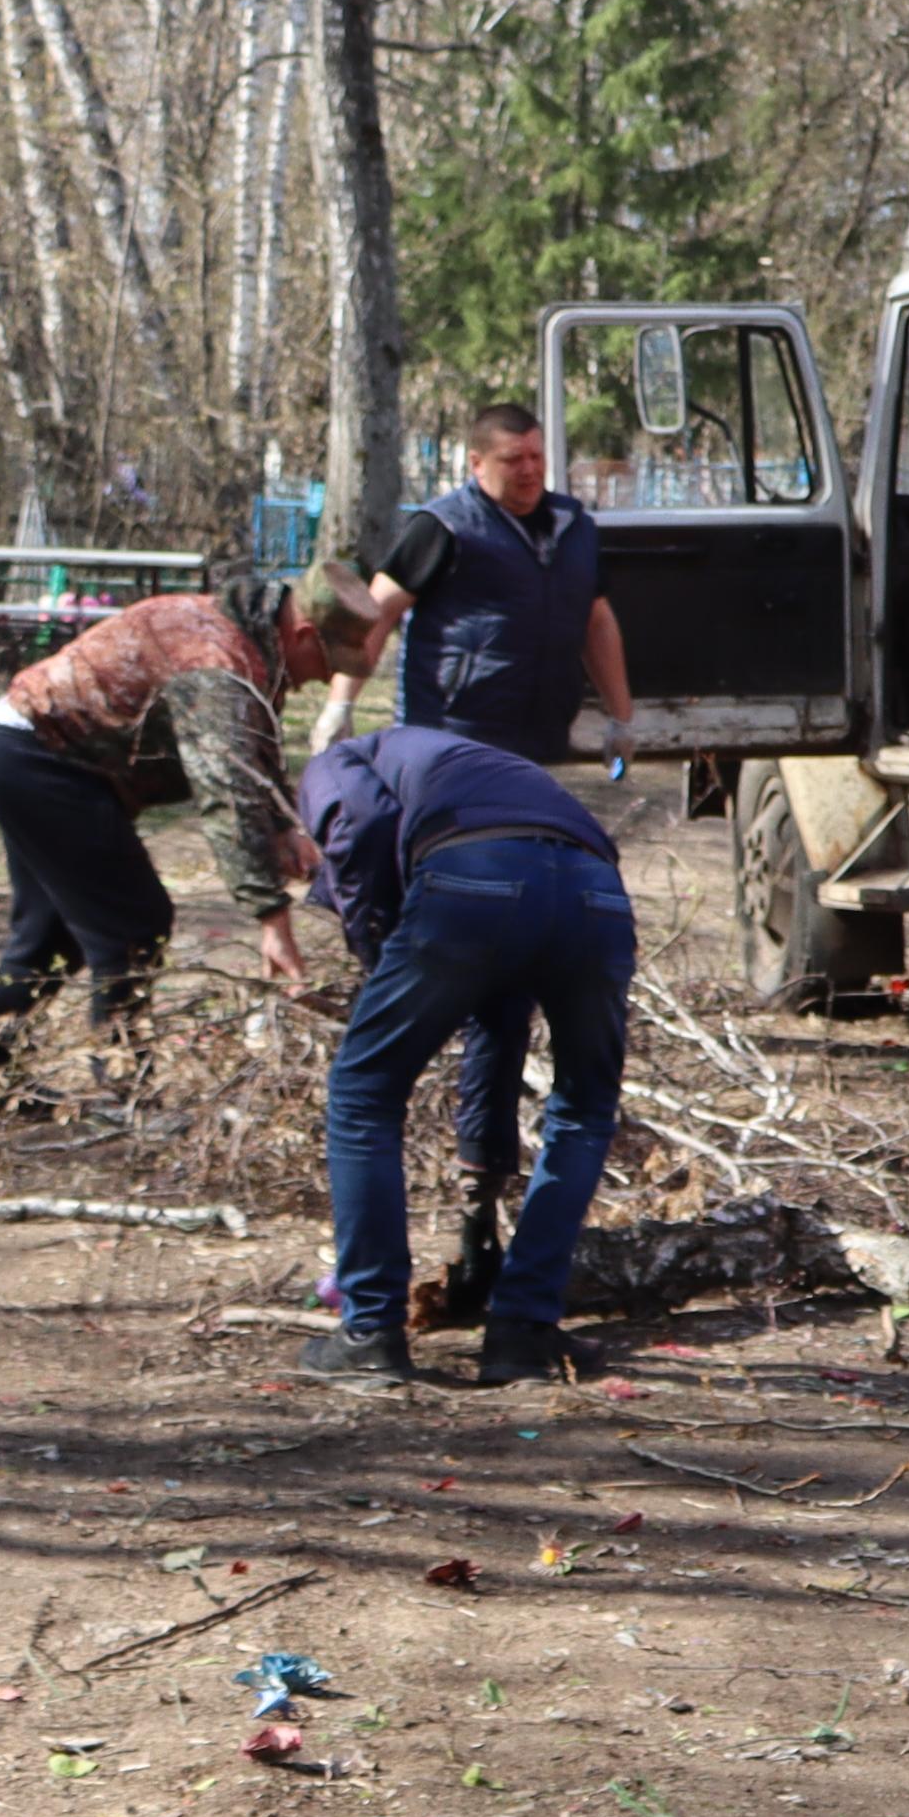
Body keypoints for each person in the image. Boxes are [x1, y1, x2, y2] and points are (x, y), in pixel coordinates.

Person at [356, 400, 637, 1326]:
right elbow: (380, 610)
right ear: (475, 461)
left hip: (536, 761)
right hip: (452, 765)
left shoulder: (570, 526)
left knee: (511, 998)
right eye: (513, 458)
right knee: (480, 986)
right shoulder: (443, 527)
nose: (530, 471)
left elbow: (597, 615)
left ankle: (485, 1206)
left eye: (537, 455)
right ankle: (471, 1206)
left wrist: (623, 718)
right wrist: (337, 707)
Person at [295, 716, 634, 1387]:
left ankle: (370, 1332)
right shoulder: (476, 770)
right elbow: (497, 1028)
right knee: (584, 1108)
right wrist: (479, 1211)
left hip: (474, 879)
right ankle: (522, 1333)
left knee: (364, 1091)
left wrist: (378, 962)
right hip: (597, 892)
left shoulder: (336, 758)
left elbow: (356, 831)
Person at [0, 575, 376, 1118]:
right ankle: (123, 1088)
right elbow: (225, 788)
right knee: (132, 922)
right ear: (300, 634)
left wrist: (282, 827)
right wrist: (271, 915)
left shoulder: (246, 640)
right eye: (326, 664)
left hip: (42, 754)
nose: (321, 681)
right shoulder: (215, 663)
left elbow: (251, 739)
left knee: (50, 933)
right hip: (41, 760)